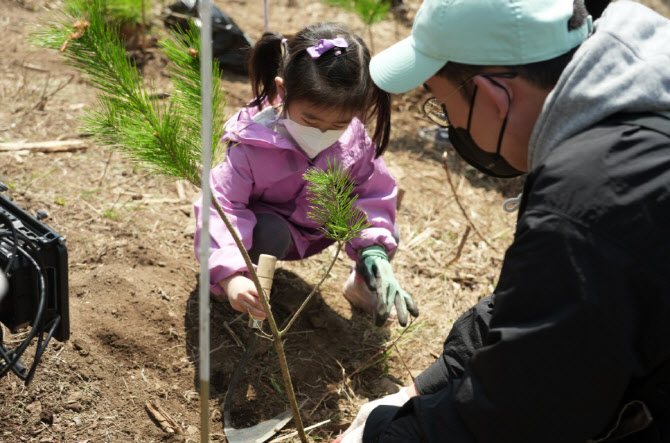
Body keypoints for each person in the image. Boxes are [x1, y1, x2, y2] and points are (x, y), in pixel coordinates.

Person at [335, 0, 670, 441]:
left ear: (494, 95)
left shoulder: (593, 196)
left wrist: (384, 435)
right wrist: (426, 386)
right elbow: (552, 303)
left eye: (441, 105)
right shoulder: (635, 105)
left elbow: (520, 414)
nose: (451, 126)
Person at [193, 22, 419, 327]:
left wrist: (373, 251)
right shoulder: (251, 141)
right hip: (271, 236)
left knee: (384, 235)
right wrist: (231, 275)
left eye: (338, 124)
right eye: (310, 119)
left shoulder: (355, 140)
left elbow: (372, 194)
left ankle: (364, 284)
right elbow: (222, 207)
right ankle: (233, 285)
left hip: (319, 227)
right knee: (268, 231)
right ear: (283, 90)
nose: (322, 132)